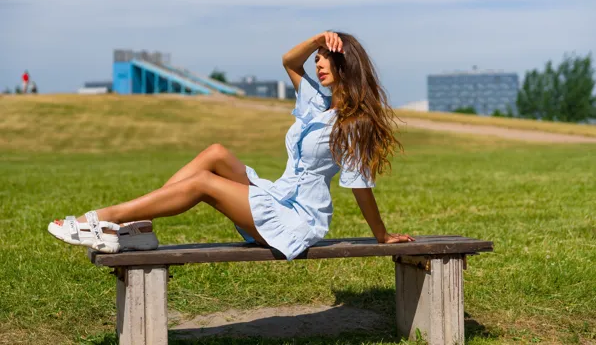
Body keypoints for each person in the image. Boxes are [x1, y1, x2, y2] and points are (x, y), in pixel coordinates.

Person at [48, 31, 415, 259]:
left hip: (296, 220)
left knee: (203, 185)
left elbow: (360, 186)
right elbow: (289, 60)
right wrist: (320, 37)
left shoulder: (353, 125)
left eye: (325, 57)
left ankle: (101, 219)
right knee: (216, 153)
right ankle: (140, 228)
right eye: (318, 57)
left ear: (345, 64)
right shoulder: (316, 103)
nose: (318, 63)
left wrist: (381, 236)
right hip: (276, 196)